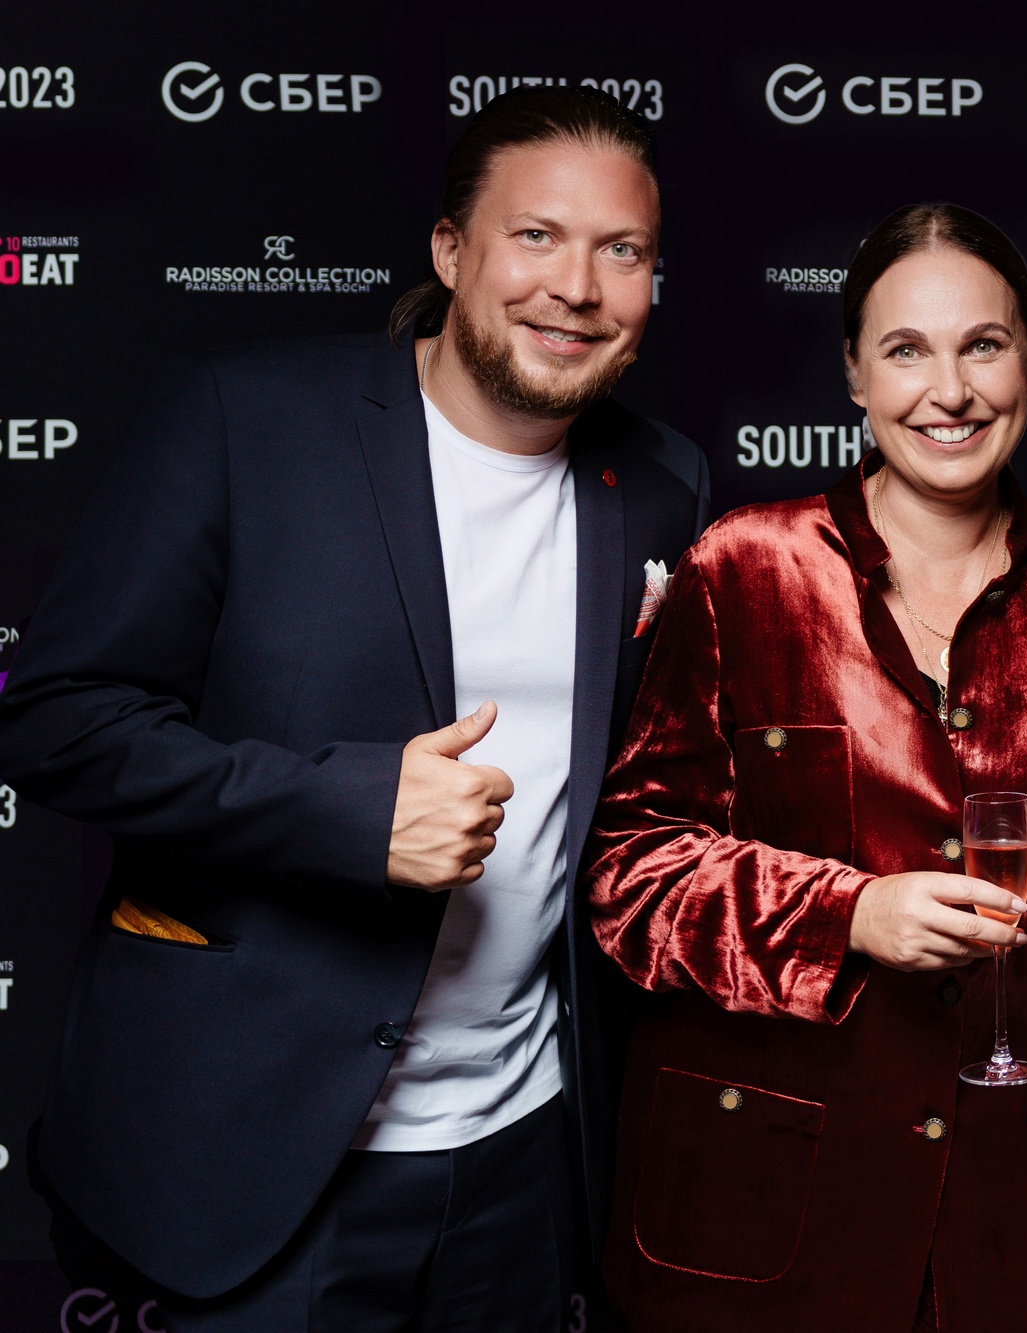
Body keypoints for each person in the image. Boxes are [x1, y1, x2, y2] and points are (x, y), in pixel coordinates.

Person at [0, 86, 707, 1329]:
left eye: (622, 250)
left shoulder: (661, 481)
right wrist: (347, 810)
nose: (576, 287)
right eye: (535, 236)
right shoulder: (243, 420)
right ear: (451, 250)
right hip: (256, 1155)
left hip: (529, 1154)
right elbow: (56, 714)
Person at [584, 202, 1027, 1332]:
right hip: (769, 1210)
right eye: (907, 350)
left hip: (1021, 1217)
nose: (949, 391)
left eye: (983, 345)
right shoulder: (742, 569)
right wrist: (849, 914)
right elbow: (631, 877)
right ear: (855, 376)